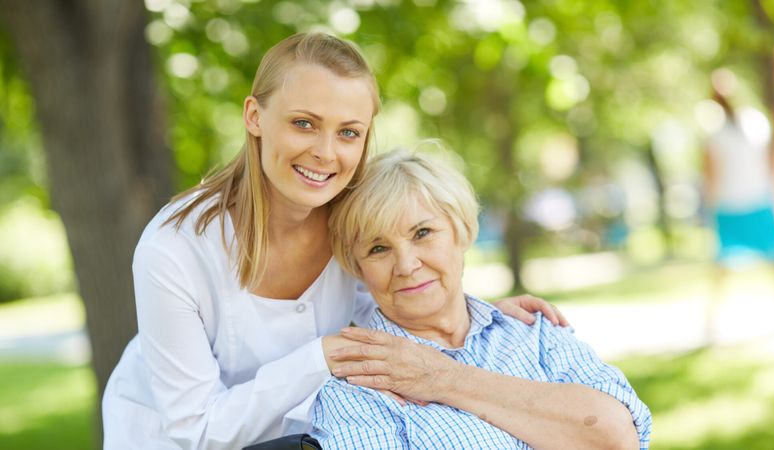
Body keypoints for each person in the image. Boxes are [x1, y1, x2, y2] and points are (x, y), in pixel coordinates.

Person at [101, 32, 566, 450]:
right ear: (254, 115)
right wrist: (324, 357)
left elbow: (396, 294)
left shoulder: (356, 217)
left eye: (348, 132)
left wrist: (471, 312)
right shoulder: (176, 249)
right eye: (304, 123)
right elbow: (198, 430)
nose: (325, 153)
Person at [312, 149, 652, 449]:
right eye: (378, 248)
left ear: (462, 232)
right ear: (357, 267)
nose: (406, 265)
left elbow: (617, 437)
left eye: (423, 233)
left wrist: (441, 377)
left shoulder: (533, 332)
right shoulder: (356, 392)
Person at [701, 68, 774, 332]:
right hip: (757, 198)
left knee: (725, 265)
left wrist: (708, 206)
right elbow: (771, 159)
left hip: (731, 203)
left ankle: (711, 320)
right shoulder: (755, 121)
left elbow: (710, 174)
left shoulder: (714, 130)